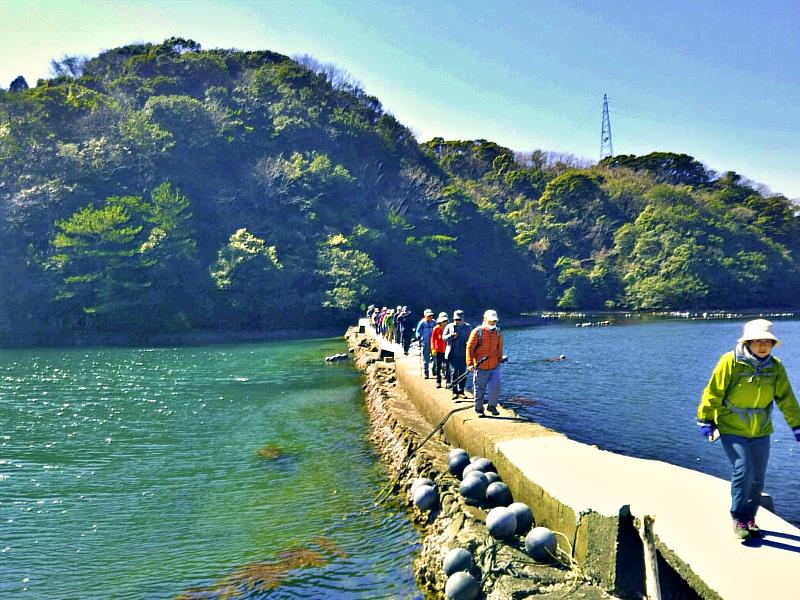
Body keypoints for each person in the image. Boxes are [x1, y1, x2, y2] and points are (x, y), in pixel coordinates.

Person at [697, 319, 800, 540]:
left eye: (768, 342)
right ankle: (738, 517)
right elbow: (713, 392)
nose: (763, 346)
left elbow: (786, 399)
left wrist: (797, 425)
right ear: (748, 342)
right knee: (743, 470)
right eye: (758, 341)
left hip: (761, 430)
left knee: (757, 477)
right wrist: (706, 419)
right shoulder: (731, 362)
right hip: (731, 426)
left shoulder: (776, 367)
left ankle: (750, 518)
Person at [466, 310, 503, 416]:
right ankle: (478, 409)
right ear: (485, 319)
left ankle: (492, 406)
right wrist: (469, 363)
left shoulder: (498, 332)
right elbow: (469, 348)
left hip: (494, 366)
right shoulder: (477, 331)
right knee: (479, 389)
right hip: (480, 366)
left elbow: (499, 348)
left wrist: (500, 360)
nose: (492, 323)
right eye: (491, 321)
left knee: (496, 387)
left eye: (494, 321)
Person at [444, 310, 471, 399]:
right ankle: (454, 391)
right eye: (455, 319)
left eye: (459, 319)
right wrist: (451, 336)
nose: (457, 321)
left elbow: (471, 339)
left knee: (463, 373)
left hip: (464, 354)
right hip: (453, 353)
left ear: (463, 319)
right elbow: (444, 338)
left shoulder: (468, 327)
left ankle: (461, 391)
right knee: (454, 372)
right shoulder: (449, 326)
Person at [415, 309, 436, 378]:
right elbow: (418, 332)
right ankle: (426, 372)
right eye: (429, 316)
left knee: (434, 357)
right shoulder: (422, 323)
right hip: (425, 343)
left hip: (433, 343)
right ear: (425, 316)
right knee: (425, 358)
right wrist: (419, 337)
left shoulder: (434, 322)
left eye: (431, 315)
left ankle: (434, 369)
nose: (430, 317)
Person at [431, 312, 449, 388]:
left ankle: (448, 382)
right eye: (443, 322)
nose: (444, 323)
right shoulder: (436, 329)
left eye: (445, 321)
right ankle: (438, 381)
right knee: (438, 367)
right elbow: (432, 339)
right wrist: (433, 348)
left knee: (447, 367)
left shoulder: (449, 328)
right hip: (438, 351)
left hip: (447, 350)